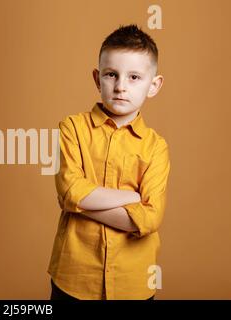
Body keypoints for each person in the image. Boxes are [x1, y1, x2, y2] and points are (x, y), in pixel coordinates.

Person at [47, 24, 170, 300]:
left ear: (154, 85)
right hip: (74, 277)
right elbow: (69, 190)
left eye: (135, 77)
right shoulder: (72, 128)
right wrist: (130, 197)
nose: (121, 86)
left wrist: (81, 207)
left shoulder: (156, 147)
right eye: (111, 74)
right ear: (97, 78)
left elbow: (150, 218)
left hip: (133, 281)